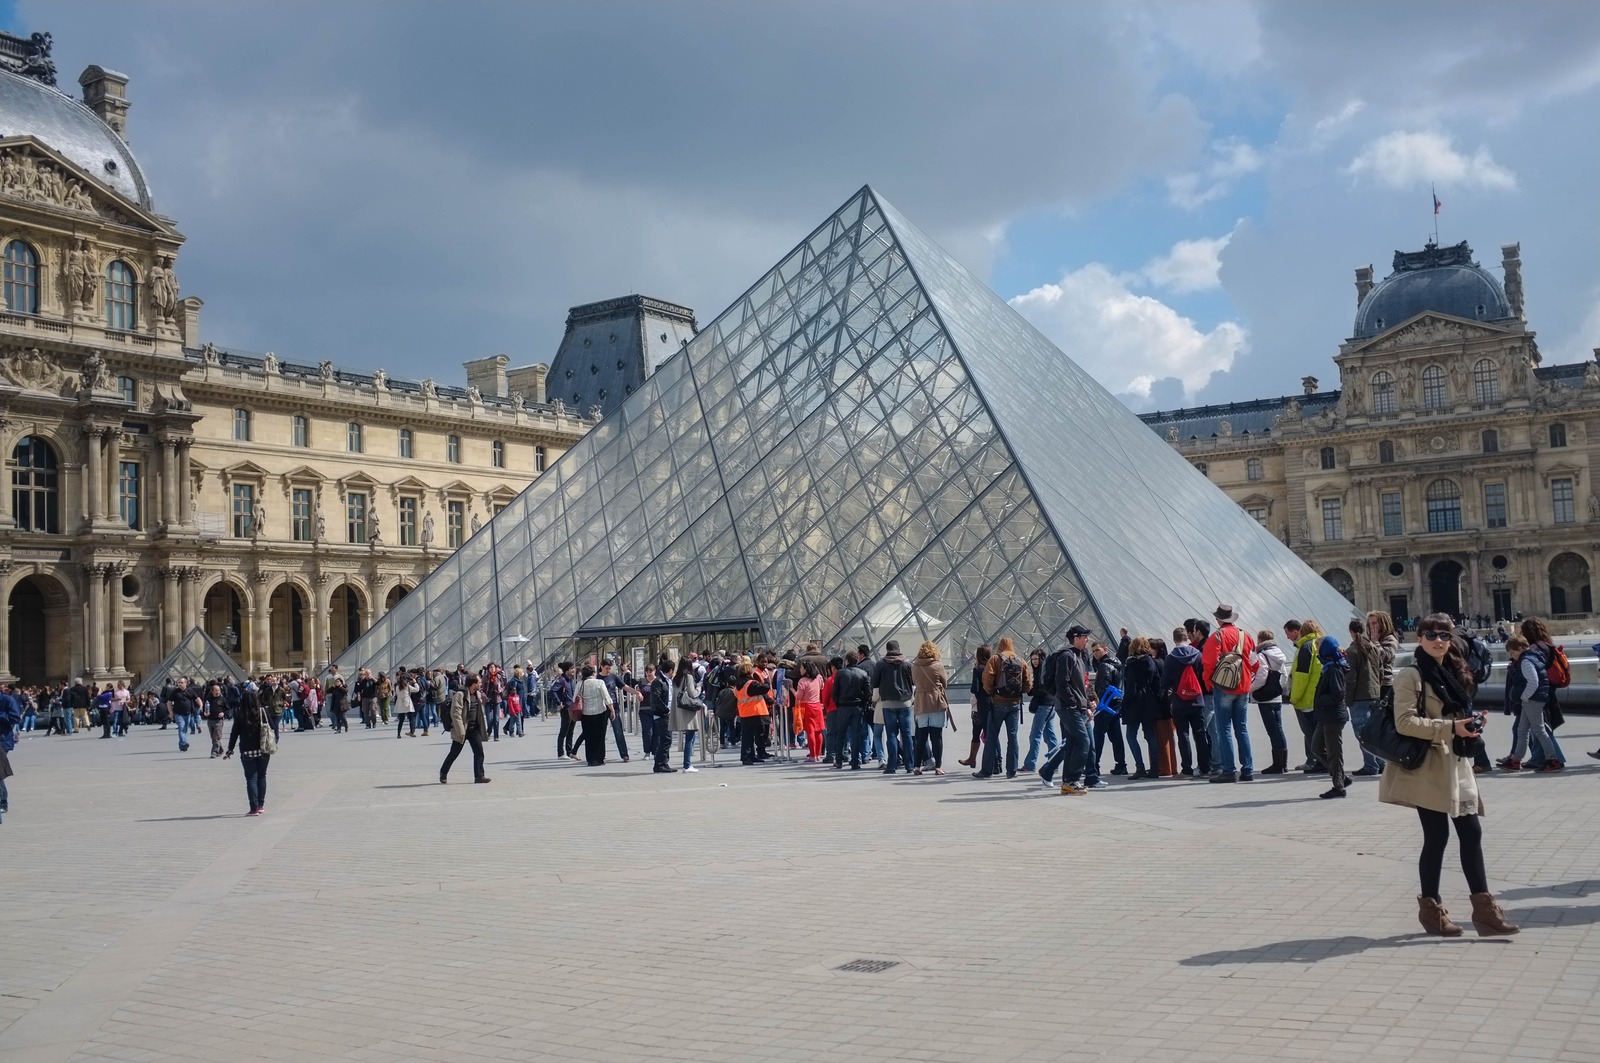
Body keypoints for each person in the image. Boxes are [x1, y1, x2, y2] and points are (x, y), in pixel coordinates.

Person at [1383, 613, 1518, 937]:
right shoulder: (1410, 676)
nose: (1438, 640)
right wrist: (1450, 727)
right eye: (1431, 635)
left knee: (1471, 833)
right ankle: (1431, 909)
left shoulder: (1452, 671)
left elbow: (1455, 713)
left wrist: (1470, 723)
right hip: (1427, 768)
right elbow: (1404, 723)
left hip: (1456, 764)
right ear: (1420, 638)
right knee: (1437, 837)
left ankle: (1484, 911)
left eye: (1443, 635)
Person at [1039, 625, 1097, 793]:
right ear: (1076, 638)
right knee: (1084, 741)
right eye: (1085, 637)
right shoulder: (1067, 656)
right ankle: (1072, 781)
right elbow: (1062, 683)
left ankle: (1067, 783)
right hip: (1068, 707)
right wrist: (1073, 703)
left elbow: (1080, 686)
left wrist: (1085, 705)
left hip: (1076, 706)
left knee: (1072, 743)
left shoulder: (1077, 655)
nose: (1087, 640)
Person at [1201, 604, 1255, 782]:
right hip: (1244, 686)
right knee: (1242, 728)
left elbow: (1208, 662)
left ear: (1219, 619)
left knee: (1223, 729)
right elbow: (1255, 662)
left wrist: (1209, 682)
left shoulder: (1216, 636)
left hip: (1224, 686)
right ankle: (1248, 770)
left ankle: (1229, 770)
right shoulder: (1245, 635)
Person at [1500, 635, 1562, 772]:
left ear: (1521, 648)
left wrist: (1524, 697)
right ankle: (1516, 759)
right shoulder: (1533, 657)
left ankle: (1553, 759)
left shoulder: (1525, 661)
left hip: (1532, 700)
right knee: (1522, 730)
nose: (1511, 655)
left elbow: (1533, 681)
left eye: (1513, 652)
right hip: (1534, 699)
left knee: (1538, 730)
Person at [978, 637, 1030, 779]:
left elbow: (987, 678)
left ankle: (987, 770)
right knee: (1012, 737)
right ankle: (1011, 770)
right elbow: (1028, 684)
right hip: (1014, 704)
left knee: (992, 737)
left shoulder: (995, 659)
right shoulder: (1021, 660)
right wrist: (1019, 692)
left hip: (998, 703)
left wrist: (991, 692)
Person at [1164, 628, 1209, 777]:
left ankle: (1187, 769)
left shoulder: (1171, 658)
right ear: (1187, 638)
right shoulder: (1198, 655)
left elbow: (1165, 682)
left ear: (1174, 639)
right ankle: (1205, 767)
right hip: (1197, 700)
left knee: (1183, 735)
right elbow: (1204, 676)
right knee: (1200, 734)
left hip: (1179, 701)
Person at [223, 687, 273, 816]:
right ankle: (261, 805)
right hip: (263, 750)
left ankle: (254, 807)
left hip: (247, 751)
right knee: (262, 776)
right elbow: (272, 727)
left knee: (251, 779)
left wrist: (230, 749)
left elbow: (234, 733)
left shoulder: (240, 714)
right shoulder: (263, 711)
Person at [1312, 636, 1351, 799]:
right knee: (1316, 747)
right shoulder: (1329, 666)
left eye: (1319, 646)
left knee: (1334, 752)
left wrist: (1320, 699)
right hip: (1327, 715)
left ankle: (1339, 786)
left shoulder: (1334, 669)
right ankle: (1340, 776)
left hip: (1333, 716)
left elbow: (1338, 694)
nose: (1316, 649)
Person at [1346, 619, 1385, 776]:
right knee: (1374, 732)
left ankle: (1370, 765)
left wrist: (1348, 698)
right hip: (1374, 694)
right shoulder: (1373, 648)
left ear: (1351, 631)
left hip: (1359, 697)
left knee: (1361, 732)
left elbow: (1350, 678)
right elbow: (1381, 671)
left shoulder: (1352, 651)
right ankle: (1381, 762)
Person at [1120, 636, 1162, 778]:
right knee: (1150, 736)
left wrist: (1123, 704)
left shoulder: (1131, 664)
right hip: (1149, 701)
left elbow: (1131, 688)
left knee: (1131, 735)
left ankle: (1140, 767)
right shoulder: (1151, 661)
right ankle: (1155, 767)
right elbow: (1157, 683)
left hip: (1135, 702)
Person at [873, 641, 916, 775]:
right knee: (907, 734)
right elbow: (913, 683)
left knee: (891, 734)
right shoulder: (907, 664)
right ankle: (910, 765)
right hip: (905, 703)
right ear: (899, 648)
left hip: (888, 704)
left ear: (887, 649)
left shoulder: (880, 664)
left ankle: (891, 766)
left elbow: (875, 684)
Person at [1286, 619, 1325, 772]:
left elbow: (1301, 676)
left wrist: (1294, 697)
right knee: (1318, 731)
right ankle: (1319, 761)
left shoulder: (1306, 647)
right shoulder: (1320, 644)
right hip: (1319, 695)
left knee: (1310, 732)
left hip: (1307, 698)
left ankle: (1318, 762)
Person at [1249, 630, 1290, 774]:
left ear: (1260, 640)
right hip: (1276, 697)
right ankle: (1283, 763)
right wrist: (1278, 689)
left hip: (1265, 698)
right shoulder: (1280, 655)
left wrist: (1250, 688)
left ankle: (1277, 764)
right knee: (1279, 729)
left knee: (1272, 730)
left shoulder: (1262, 655)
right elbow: (1284, 676)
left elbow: (1261, 677)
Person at [910, 641, 951, 775]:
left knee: (921, 736)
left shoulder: (914, 666)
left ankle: (917, 767)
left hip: (921, 702)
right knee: (936, 736)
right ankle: (938, 767)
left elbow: (914, 682)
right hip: (936, 702)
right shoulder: (937, 665)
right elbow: (944, 683)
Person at [440, 675, 490, 784]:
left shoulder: (477, 694)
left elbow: (479, 713)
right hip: (462, 729)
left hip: (474, 729)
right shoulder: (460, 695)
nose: (481, 684)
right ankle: (443, 772)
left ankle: (479, 776)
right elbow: (456, 714)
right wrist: (461, 731)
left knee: (479, 752)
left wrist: (482, 728)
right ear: (473, 683)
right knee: (454, 753)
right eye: (479, 682)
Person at [1089, 641, 1126, 777]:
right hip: (1115, 705)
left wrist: (1096, 703)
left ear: (1105, 649)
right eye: (1093, 651)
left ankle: (1094, 766)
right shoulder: (1117, 663)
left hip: (1105, 705)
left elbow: (1102, 688)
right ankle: (1121, 765)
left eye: (1097, 650)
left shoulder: (1104, 666)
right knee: (1116, 737)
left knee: (1097, 737)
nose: (1095, 653)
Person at [830, 652, 871, 770]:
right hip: (857, 707)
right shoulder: (863, 674)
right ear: (856, 660)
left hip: (843, 707)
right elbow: (868, 693)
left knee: (841, 735)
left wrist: (838, 703)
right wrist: (863, 705)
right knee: (856, 734)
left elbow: (835, 693)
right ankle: (855, 761)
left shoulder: (840, 674)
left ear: (846, 661)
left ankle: (839, 760)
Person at [1021, 647, 1058, 773]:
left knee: (1035, 735)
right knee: (1049, 736)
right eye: (1032, 660)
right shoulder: (1047, 669)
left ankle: (1030, 764)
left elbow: (1042, 689)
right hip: (1051, 705)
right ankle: (1054, 763)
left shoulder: (1042, 671)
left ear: (1042, 658)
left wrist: (1032, 691)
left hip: (1044, 705)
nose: (1034, 662)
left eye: (1036, 659)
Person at [958, 645, 992, 769]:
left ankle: (973, 759)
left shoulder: (978, 669)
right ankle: (995, 761)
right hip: (992, 704)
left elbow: (975, 689)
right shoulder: (993, 667)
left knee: (976, 732)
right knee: (990, 733)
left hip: (979, 706)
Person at [671, 659, 706, 772]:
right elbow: (692, 693)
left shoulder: (676, 678)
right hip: (688, 710)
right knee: (690, 738)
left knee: (689, 737)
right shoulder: (688, 677)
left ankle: (687, 764)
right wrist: (699, 688)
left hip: (680, 709)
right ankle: (687, 765)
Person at [645, 656, 679, 773]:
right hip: (662, 714)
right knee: (666, 739)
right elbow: (656, 698)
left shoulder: (668, 681)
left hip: (667, 713)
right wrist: (665, 710)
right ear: (670, 670)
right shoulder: (658, 681)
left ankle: (663, 762)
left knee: (666, 739)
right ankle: (660, 764)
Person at [576, 664, 614, 766]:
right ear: (593, 673)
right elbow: (606, 697)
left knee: (589, 737)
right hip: (600, 712)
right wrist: (612, 709)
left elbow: (574, 698)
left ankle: (590, 759)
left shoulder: (580, 684)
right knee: (600, 736)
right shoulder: (599, 682)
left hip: (586, 713)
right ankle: (599, 758)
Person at [795, 661, 826, 763]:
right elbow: (822, 688)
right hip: (817, 705)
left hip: (806, 706)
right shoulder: (819, 678)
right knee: (818, 731)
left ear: (806, 669)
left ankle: (812, 754)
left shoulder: (802, 681)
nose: (800, 669)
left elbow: (799, 696)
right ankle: (818, 754)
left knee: (810, 731)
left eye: (802, 668)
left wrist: (791, 689)